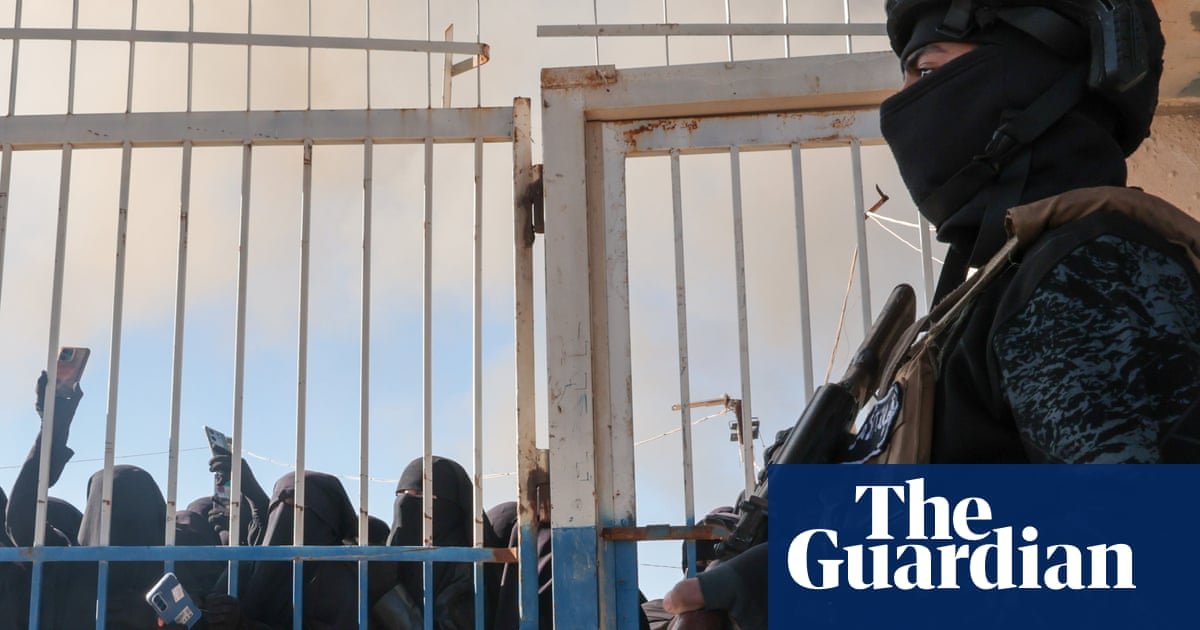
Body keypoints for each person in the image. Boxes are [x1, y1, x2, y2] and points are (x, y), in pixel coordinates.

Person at [240, 471, 360, 630]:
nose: (285, 517)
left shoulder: (340, 577)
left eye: (299, 511)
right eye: (278, 507)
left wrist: (247, 625)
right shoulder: (246, 568)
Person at [372, 456, 480, 630]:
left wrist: (388, 594)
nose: (404, 504)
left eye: (420, 495)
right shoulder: (387, 564)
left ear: (451, 508)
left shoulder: (468, 571)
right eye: (402, 494)